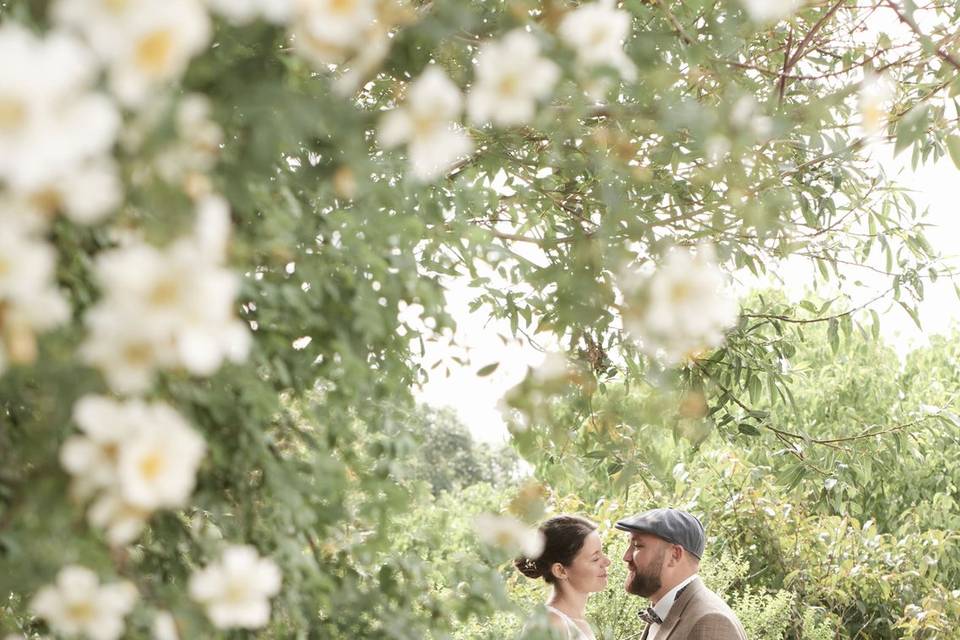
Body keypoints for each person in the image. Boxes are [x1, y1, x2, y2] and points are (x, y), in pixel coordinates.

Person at [615, 508, 747, 640]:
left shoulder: (711, 621)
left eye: (637, 546)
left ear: (674, 555)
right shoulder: (664, 611)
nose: (626, 556)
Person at [515, 515, 611, 640]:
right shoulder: (549, 624)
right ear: (560, 571)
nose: (607, 562)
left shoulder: (579, 623)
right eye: (595, 558)